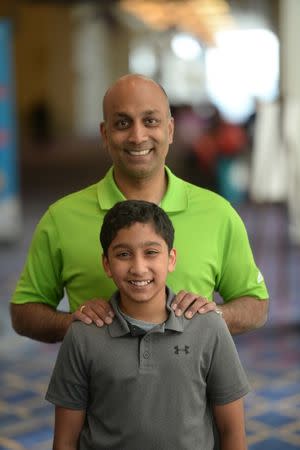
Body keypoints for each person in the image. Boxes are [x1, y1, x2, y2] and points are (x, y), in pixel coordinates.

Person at [10, 74, 269, 343]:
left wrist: (212, 315)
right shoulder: (61, 218)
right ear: (105, 134)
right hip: (98, 384)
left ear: (169, 130)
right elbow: (24, 312)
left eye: (150, 121)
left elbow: (255, 305)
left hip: (190, 384)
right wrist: (73, 324)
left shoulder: (218, 213)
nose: (137, 136)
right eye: (123, 123)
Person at [46, 200, 250, 450]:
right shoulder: (83, 335)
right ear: (107, 264)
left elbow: (233, 433)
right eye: (123, 254)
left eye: (151, 252)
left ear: (171, 259)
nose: (139, 268)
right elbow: (65, 441)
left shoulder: (208, 328)